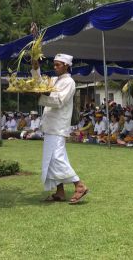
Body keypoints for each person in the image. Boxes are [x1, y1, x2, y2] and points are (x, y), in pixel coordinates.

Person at [32, 54, 88, 204]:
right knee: (50, 159)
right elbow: (39, 83)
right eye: (54, 64)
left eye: (58, 65)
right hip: (50, 125)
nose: (54, 67)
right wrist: (36, 67)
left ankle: (79, 185)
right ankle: (60, 192)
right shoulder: (55, 80)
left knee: (57, 158)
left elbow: (58, 101)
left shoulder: (69, 82)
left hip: (58, 126)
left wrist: (40, 97)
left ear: (66, 66)